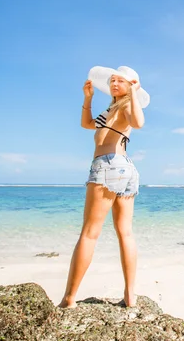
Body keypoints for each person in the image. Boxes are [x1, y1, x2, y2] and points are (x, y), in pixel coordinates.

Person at [59, 65, 148, 308]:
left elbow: (138, 123)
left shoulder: (127, 104)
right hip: (124, 168)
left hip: (108, 166)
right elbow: (87, 124)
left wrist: (133, 93)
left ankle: (69, 299)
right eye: (113, 80)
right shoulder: (113, 107)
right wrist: (88, 99)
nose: (115, 84)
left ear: (130, 85)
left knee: (89, 233)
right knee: (125, 232)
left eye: (121, 81)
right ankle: (130, 297)